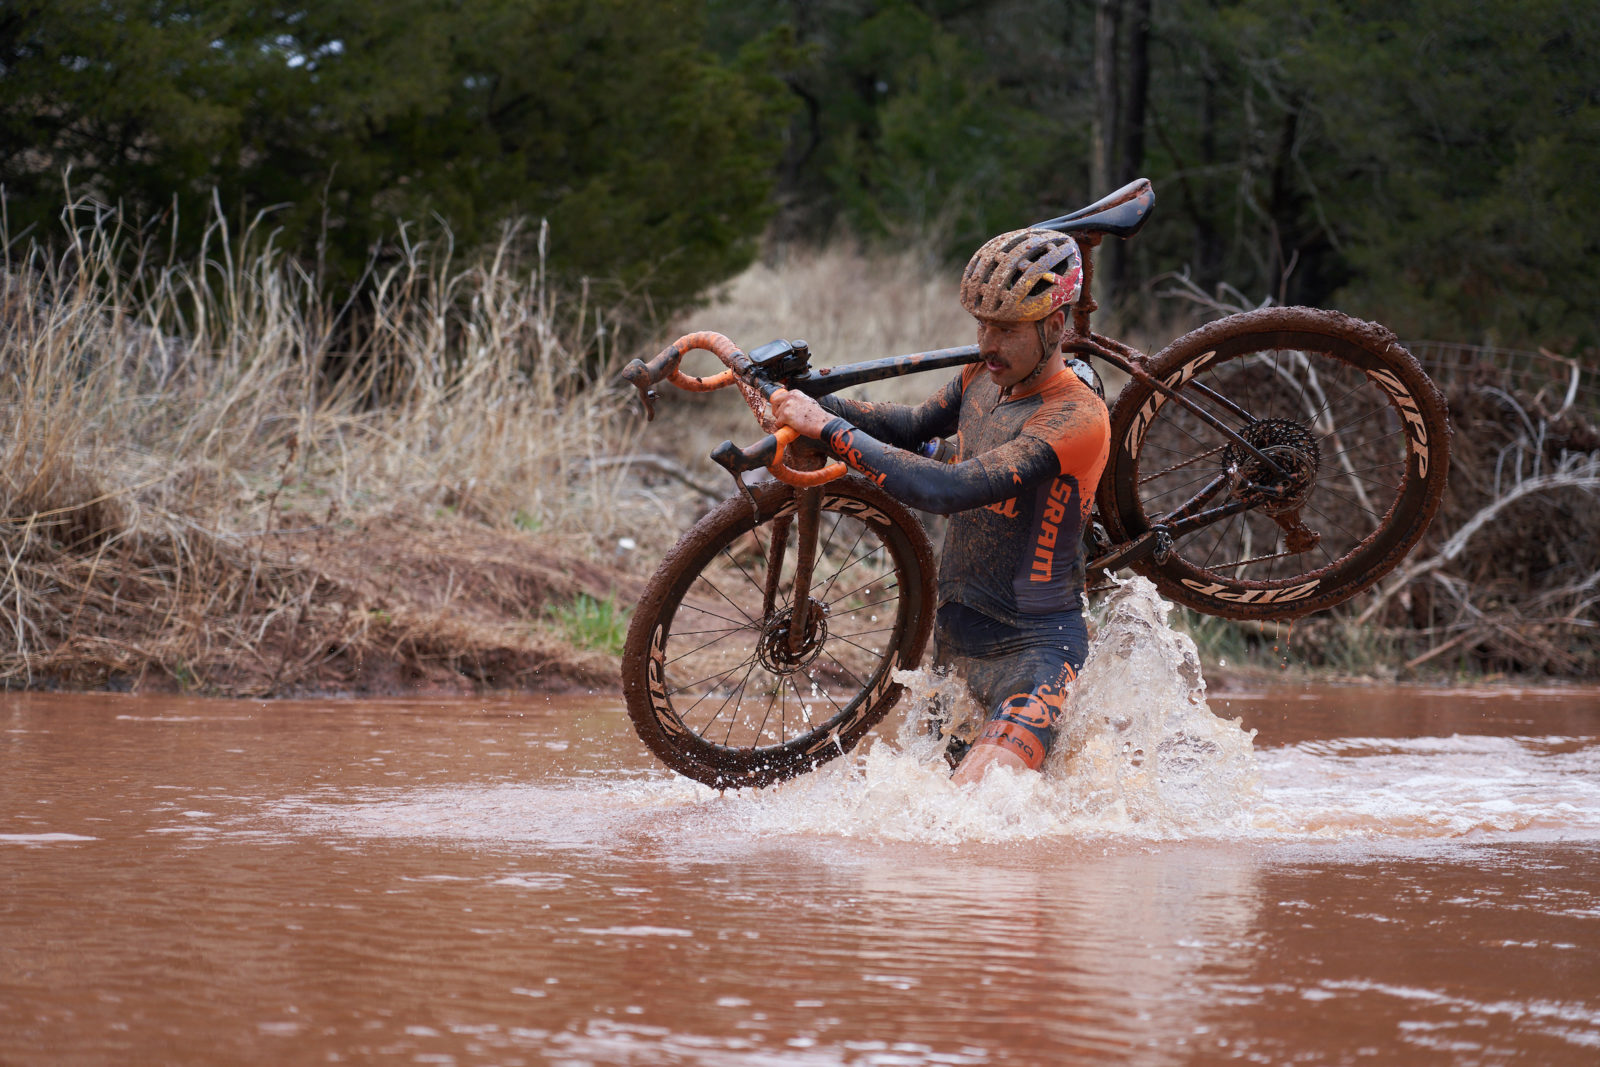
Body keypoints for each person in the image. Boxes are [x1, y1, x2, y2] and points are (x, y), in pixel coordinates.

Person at [770, 228, 1110, 785]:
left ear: (1054, 327)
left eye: (1005, 329)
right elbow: (909, 427)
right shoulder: (982, 377)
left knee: (965, 816)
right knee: (923, 829)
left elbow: (947, 490)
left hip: (1037, 657)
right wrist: (810, 403)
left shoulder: (1076, 417)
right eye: (981, 324)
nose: (985, 343)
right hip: (955, 650)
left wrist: (827, 429)